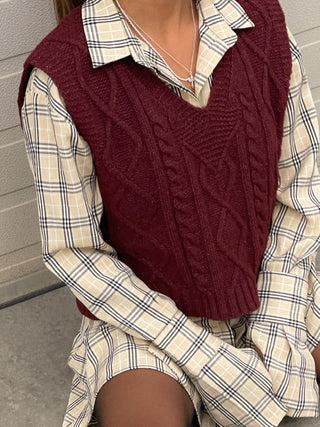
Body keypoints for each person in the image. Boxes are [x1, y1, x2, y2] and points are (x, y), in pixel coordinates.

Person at [18, 0, 320, 426]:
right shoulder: (59, 78)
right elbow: (75, 253)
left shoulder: (261, 24)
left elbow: (301, 189)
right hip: (146, 323)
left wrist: (276, 321)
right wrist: (207, 357)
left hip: (273, 283)